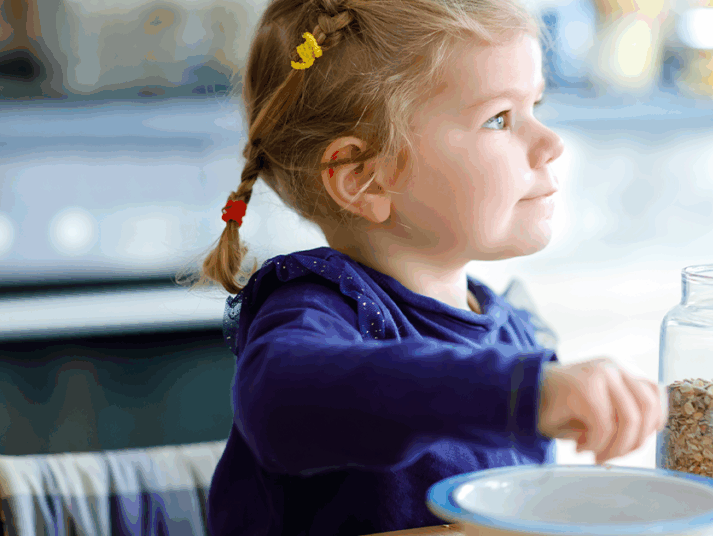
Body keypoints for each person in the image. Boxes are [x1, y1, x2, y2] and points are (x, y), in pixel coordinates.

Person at [189, 0, 668, 533]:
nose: (551, 143)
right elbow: (281, 402)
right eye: (499, 119)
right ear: (363, 178)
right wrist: (523, 392)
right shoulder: (317, 304)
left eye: (536, 104)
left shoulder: (512, 329)